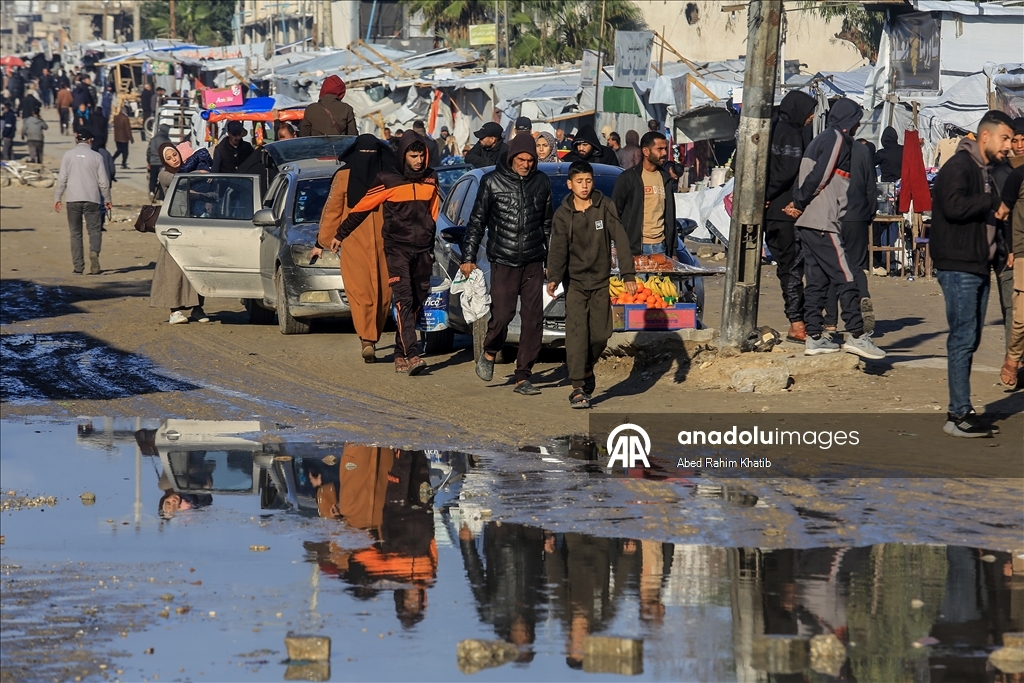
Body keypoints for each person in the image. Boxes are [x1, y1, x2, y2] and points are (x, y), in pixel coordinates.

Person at [930, 110, 1013, 437]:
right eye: (1004, 138)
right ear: (985, 136)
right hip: (958, 264)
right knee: (962, 338)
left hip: (978, 264)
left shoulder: (984, 170)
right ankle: (957, 414)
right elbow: (952, 206)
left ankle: (962, 409)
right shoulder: (960, 167)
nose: (1009, 146)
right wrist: (991, 201)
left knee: (971, 337)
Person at [331, 131, 439, 375]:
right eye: (414, 156)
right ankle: (412, 354)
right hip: (396, 249)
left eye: (422, 155)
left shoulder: (431, 178)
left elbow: (433, 212)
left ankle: (400, 352)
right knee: (403, 299)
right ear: (403, 156)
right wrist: (340, 234)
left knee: (417, 302)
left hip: (422, 251)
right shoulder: (387, 179)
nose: (419, 160)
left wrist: (431, 239)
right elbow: (360, 209)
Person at [786, 97, 885, 360]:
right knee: (846, 276)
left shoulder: (819, 138)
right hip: (822, 221)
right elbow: (820, 174)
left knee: (817, 281)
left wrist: (799, 202)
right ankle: (856, 334)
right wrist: (799, 201)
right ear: (849, 120)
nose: (860, 124)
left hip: (810, 221)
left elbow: (805, 175)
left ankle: (815, 336)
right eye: (858, 119)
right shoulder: (837, 139)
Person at [461, 133, 553, 396]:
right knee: (503, 316)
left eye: (530, 160)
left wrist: (551, 262)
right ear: (512, 158)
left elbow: (548, 226)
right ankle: (490, 351)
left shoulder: (542, 182)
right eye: (521, 159)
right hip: (503, 260)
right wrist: (468, 257)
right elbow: (476, 222)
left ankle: (522, 376)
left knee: (533, 320)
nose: (526, 164)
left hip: (534, 261)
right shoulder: (492, 182)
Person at [547, 160, 637, 408]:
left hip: (600, 282)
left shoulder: (604, 206)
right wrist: (554, 276)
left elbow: (620, 238)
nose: (584, 186)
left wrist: (628, 274)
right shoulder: (563, 214)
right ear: (570, 184)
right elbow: (558, 249)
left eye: (588, 180)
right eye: (579, 181)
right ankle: (577, 387)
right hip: (574, 283)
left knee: (600, 334)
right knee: (576, 335)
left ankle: (586, 369)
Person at [312, 133, 396, 363]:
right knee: (360, 293)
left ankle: (372, 336)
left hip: (385, 244)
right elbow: (333, 211)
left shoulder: (389, 177)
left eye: (371, 154)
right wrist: (322, 243)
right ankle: (367, 341)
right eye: (364, 154)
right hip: (353, 244)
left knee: (383, 294)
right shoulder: (344, 176)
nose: (367, 158)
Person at [764, 90, 816, 343]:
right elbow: (787, 169)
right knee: (793, 268)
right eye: (808, 112)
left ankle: (801, 320)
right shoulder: (791, 133)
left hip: (774, 211)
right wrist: (769, 193)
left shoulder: (773, 127)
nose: (811, 117)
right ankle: (797, 323)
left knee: (789, 267)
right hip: (785, 211)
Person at [150, 142, 210, 324]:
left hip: (191, 225)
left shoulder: (185, 170)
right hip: (173, 229)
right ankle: (174, 311)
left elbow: (190, 190)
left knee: (194, 267)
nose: (173, 159)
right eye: (168, 158)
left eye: (174, 155)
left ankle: (197, 308)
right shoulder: (164, 174)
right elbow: (181, 181)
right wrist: (199, 173)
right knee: (173, 270)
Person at [824, 137, 877, 335]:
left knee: (832, 267)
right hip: (858, 216)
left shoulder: (828, 146)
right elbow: (871, 186)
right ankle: (863, 296)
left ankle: (830, 321)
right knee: (855, 266)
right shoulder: (863, 151)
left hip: (833, 215)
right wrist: (869, 214)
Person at [53, 129, 111, 275]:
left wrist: (57, 198)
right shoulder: (97, 157)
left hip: (73, 198)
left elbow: (62, 179)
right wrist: (108, 199)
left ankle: (78, 267)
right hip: (92, 199)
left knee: (75, 233)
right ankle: (94, 252)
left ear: (77, 140)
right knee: (94, 230)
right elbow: (104, 182)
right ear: (90, 140)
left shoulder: (68, 155)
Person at [611, 131, 677, 258]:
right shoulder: (629, 178)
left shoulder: (665, 179)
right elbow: (614, 214)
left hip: (660, 248)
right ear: (646, 151)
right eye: (659, 149)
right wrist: (614, 246)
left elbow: (670, 216)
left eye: (665, 149)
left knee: (658, 279)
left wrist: (673, 251)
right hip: (634, 249)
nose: (664, 153)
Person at [996, 162, 1024, 388]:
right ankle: (1014, 359)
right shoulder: (1015, 175)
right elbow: (1004, 214)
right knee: (1019, 315)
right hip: (1018, 254)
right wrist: (1011, 250)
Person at [146, 123, 171, 201]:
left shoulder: (153, 139)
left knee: (152, 178)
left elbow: (149, 151)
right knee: (162, 179)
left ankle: (151, 192)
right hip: (162, 163)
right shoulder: (167, 140)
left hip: (153, 162)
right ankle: (162, 197)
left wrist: (149, 161)